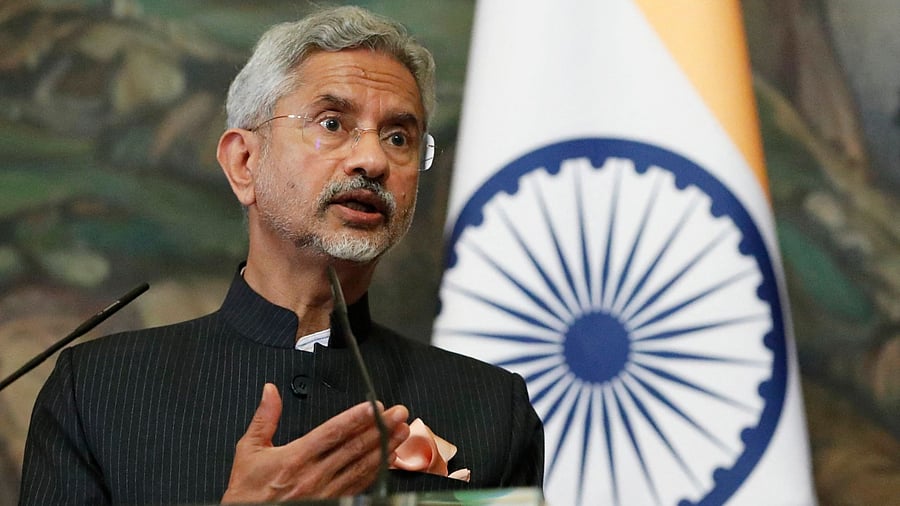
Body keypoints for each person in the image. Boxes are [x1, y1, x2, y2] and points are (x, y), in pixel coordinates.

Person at [18, 5, 544, 505]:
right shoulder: (97, 391)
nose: (373, 159)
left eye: (399, 137)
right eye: (332, 123)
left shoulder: (492, 408)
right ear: (244, 163)